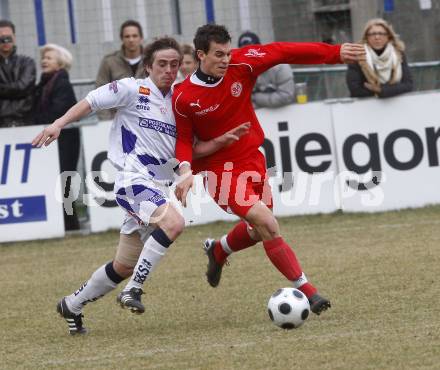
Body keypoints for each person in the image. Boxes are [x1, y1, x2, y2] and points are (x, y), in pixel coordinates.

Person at [32, 37, 250, 335]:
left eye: (175, 65)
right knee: (174, 223)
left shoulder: (180, 99)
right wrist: (58, 123)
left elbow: (188, 149)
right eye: (162, 64)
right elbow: (91, 102)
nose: (169, 70)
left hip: (159, 187)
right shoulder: (131, 89)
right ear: (148, 66)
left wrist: (220, 142)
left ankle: (72, 304)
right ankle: (133, 290)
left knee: (122, 265)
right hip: (132, 182)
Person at [173, 24, 365, 315]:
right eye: (218, 54)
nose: (226, 59)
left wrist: (335, 53)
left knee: (258, 229)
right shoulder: (184, 96)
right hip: (218, 171)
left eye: (227, 52)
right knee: (267, 222)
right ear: (200, 55)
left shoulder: (242, 62)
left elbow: (282, 51)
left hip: (252, 159)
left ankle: (219, 250)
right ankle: (308, 291)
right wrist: (185, 170)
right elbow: (184, 138)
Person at [33, 43, 80, 231]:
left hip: (66, 139)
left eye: (49, 58)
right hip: (55, 139)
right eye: (43, 58)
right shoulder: (45, 82)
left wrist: (37, 120)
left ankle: (71, 224)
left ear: (60, 63)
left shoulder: (62, 83)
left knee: (65, 182)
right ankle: (62, 224)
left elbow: (57, 111)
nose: (44, 61)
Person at [346, 18, 413, 98]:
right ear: (366, 37)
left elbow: (408, 85)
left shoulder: (398, 54)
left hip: (396, 105)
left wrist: (381, 90)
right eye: (372, 34)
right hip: (365, 106)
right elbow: (355, 90)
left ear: (388, 36)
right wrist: (392, 91)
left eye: (381, 33)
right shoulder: (357, 56)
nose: (377, 37)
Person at [95, 20, 145, 120]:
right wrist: (106, 121)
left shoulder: (152, 60)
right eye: (127, 36)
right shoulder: (109, 61)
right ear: (122, 38)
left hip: (146, 119)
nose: (131, 40)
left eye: (135, 36)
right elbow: (100, 93)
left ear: (141, 38)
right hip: (117, 120)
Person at [238, 31, 295, 109]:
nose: (249, 56)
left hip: (284, 116)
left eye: (252, 51)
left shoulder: (280, 66)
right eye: (244, 52)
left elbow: (286, 96)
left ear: (261, 48)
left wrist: (255, 98)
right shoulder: (238, 71)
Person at [0, 19, 36, 127]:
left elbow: (23, 87)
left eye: (8, 36)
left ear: (14, 37)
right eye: (1, 37)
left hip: (24, 121)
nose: (5, 40)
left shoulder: (27, 62)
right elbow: (20, 88)